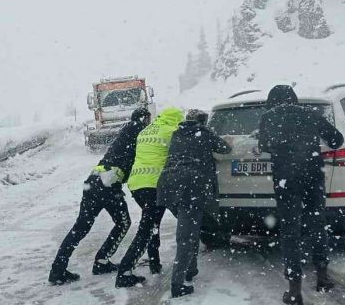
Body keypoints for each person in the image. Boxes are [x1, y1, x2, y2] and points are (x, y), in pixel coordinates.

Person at [258, 85, 344, 305]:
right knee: (317, 224)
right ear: (293, 98)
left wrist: (281, 147)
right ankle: (322, 278)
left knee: (290, 231)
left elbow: (264, 144)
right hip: (312, 176)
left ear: (272, 100)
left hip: (285, 179)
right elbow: (337, 140)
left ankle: (294, 290)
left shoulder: (268, 117)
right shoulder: (310, 114)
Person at [48, 107, 152, 286]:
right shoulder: (140, 131)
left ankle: (57, 270)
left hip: (94, 179)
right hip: (108, 183)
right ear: (145, 119)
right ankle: (101, 260)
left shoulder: (125, 131)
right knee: (123, 223)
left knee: (80, 228)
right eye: (148, 120)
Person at [157, 109, 232, 298]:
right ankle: (178, 283)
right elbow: (225, 148)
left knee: (189, 230)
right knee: (186, 236)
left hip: (169, 185)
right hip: (191, 186)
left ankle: (190, 270)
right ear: (203, 122)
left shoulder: (177, 134)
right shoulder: (204, 133)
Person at [114, 107, 184, 288]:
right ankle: (125, 271)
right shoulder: (172, 131)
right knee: (147, 228)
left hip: (137, 184)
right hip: (154, 185)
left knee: (152, 224)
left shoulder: (146, 130)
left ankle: (154, 262)